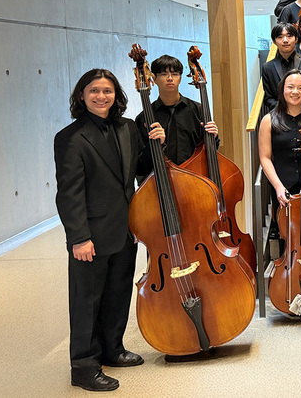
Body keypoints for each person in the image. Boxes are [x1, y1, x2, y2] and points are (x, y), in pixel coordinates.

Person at [54, 69, 164, 392]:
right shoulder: (70, 138)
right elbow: (68, 192)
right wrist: (78, 237)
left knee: (118, 294)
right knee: (87, 300)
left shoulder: (129, 128)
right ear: (81, 96)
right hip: (91, 234)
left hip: (126, 228)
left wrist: (157, 144)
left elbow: (140, 171)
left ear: (116, 95)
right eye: (94, 91)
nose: (102, 96)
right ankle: (84, 366)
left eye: (108, 91)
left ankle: (112, 348)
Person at [258, 69, 301, 245]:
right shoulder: (269, 120)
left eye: (300, 88)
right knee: (286, 239)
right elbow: (265, 158)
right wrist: (278, 187)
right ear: (282, 90)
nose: (295, 92)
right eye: (290, 87)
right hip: (283, 190)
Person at [134, 55, 218, 183]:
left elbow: (209, 152)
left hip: (194, 182)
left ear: (180, 78)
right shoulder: (143, 118)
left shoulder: (198, 110)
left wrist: (214, 137)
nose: (169, 78)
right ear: (154, 79)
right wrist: (155, 145)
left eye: (174, 74)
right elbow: (140, 167)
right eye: (163, 74)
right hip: (160, 185)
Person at [261, 23, 301, 114]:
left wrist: (300, 110)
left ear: (296, 39)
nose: (285, 40)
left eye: (289, 36)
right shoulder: (267, 68)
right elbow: (268, 98)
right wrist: (286, 110)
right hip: (280, 117)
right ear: (274, 41)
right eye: (280, 37)